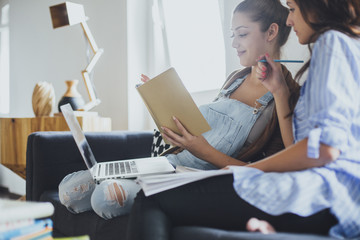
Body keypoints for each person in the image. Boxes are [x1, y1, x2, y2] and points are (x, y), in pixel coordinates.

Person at [126, 0, 360, 239]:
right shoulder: (344, 46)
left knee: (151, 198)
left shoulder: (332, 43)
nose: (289, 20)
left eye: (292, 8)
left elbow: (323, 150)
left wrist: (249, 171)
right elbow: (299, 149)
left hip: (325, 193)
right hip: (326, 191)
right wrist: (279, 91)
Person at [58, 0, 299, 220]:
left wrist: (280, 94)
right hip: (165, 163)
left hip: (194, 179)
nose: (235, 43)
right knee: (69, 190)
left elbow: (282, 164)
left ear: (271, 32)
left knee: (105, 198)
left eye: (242, 34)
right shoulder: (235, 78)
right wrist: (163, 101)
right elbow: (200, 131)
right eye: (232, 35)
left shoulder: (288, 93)